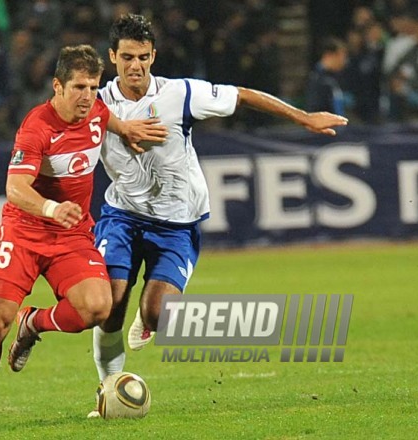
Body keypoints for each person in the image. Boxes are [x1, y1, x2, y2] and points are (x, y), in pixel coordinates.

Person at [89, 14, 348, 416]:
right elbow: (57, 117)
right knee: (110, 304)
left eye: (142, 56)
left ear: (153, 55)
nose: (135, 65)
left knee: (157, 312)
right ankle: (107, 389)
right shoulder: (97, 101)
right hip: (122, 215)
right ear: (112, 57)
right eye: (126, 57)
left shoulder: (180, 94)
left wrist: (304, 117)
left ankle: (150, 318)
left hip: (178, 221)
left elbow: (242, 94)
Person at [0, 44, 167, 427]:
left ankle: (33, 322)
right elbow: (16, 187)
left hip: (70, 237)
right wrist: (52, 208)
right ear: (57, 86)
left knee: (98, 308)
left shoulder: (97, 110)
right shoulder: (38, 126)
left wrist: (128, 129)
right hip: (25, 232)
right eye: (79, 88)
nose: (88, 96)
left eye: (93, 87)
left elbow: (106, 117)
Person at [305, 37, 349, 115]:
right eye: (341, 56)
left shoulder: (334, 77)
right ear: (329, 55)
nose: (343, 61)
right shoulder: (316, 79)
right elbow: (314, 110)